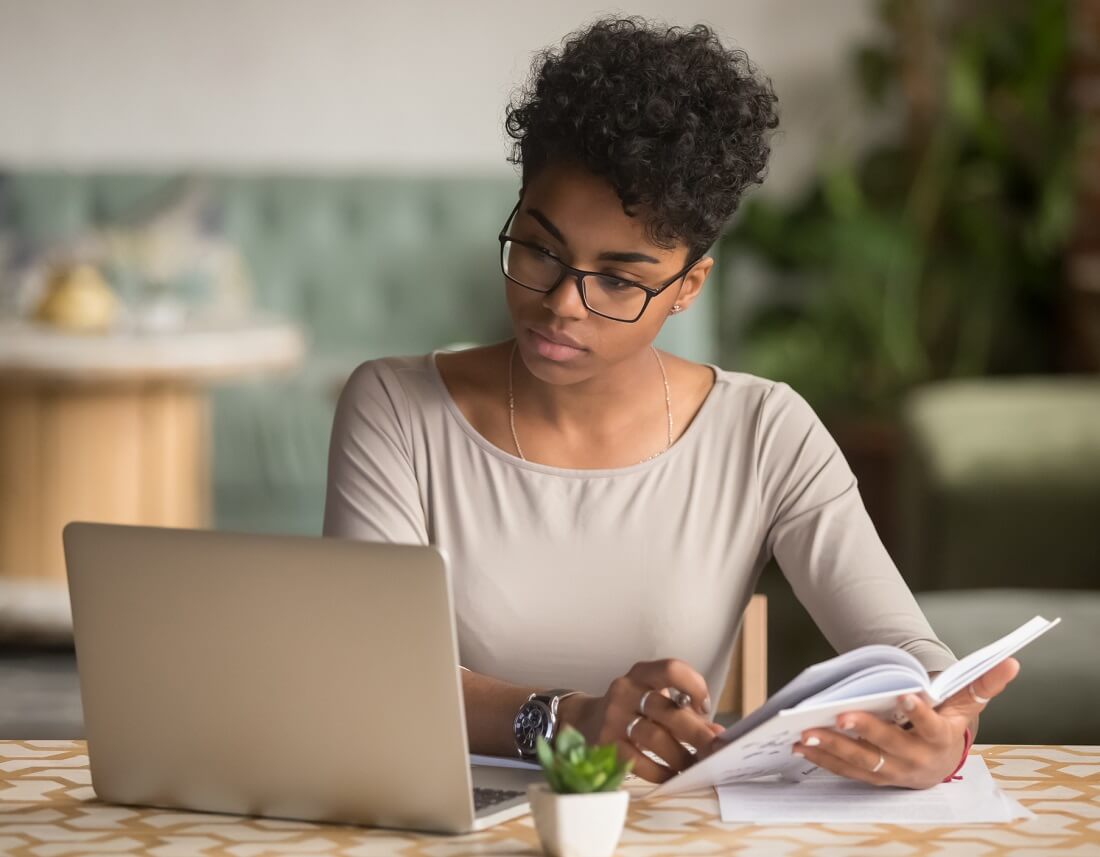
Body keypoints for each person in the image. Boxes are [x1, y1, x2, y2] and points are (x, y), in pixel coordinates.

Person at [323, 17, 1018, 787]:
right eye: (539, 248)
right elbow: (364, 670)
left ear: (688, 287)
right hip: (447, 826)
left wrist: (942, 729)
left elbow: (903, 647)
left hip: (669, 830)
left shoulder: (764, 431)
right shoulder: (393, 407)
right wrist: (563, 721)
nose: (562, 303)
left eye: (618, 278)